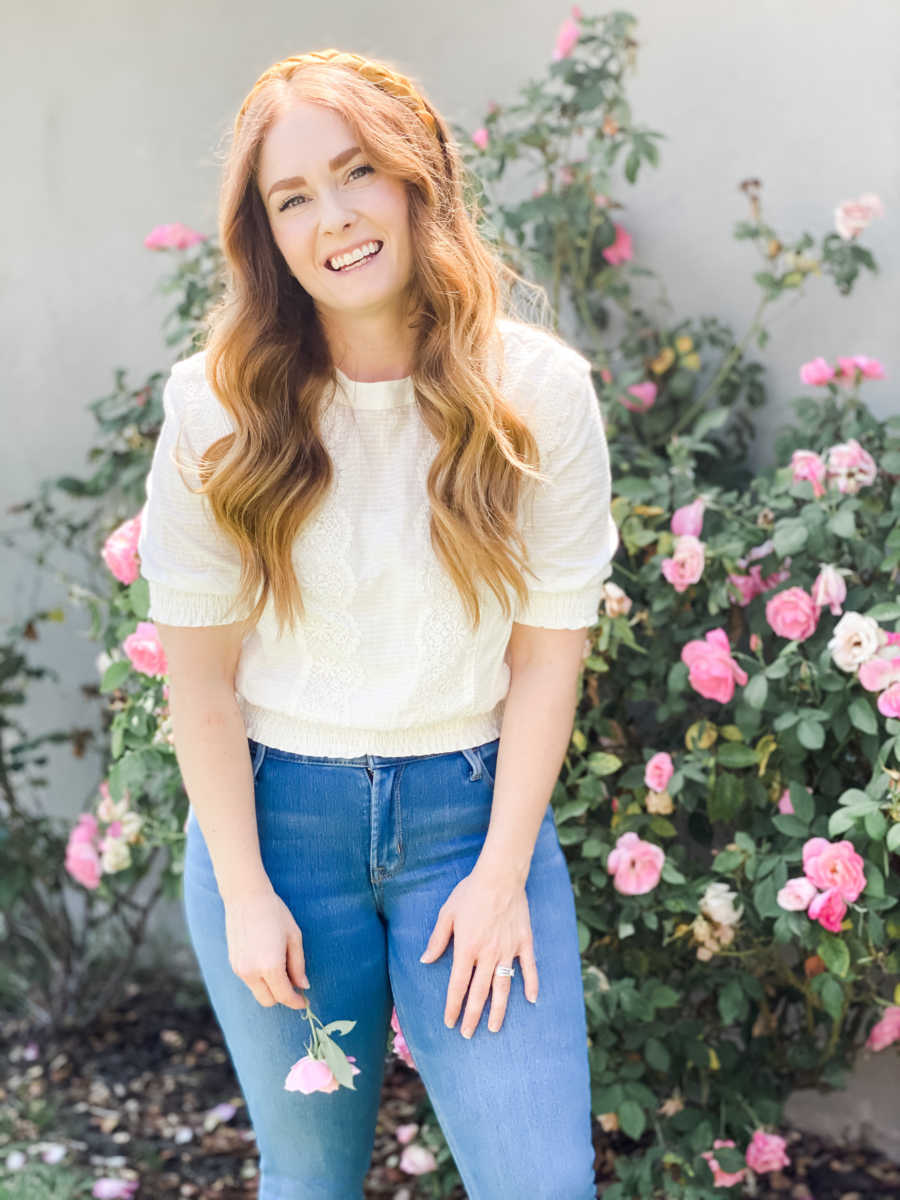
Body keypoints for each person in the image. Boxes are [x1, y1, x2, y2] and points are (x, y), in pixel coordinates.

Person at [137, 47, 619, 1200]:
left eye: (357, 173)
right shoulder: (215, 406)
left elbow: (549, 655)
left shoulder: (537, 394)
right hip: (277, 836)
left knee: (541, 1184)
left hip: (472, 827)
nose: (333, 217)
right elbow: (197, 681)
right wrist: (248, 894)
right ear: (264, 233)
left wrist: (503, 874)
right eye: (292, 196)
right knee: (309, 1183)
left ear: (418, 182)